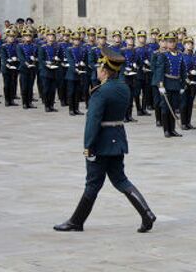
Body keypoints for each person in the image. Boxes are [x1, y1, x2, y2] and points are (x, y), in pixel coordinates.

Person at [53, 47, 156, 233]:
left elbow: (93, 122)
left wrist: (88, 146)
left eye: (100, 67)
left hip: (101, 143)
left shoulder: (100, 92)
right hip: (117, 139)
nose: (97, 71)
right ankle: (146, 213)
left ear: (105, 71)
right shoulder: (124, 88)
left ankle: (76, 222)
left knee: (93, 183)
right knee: (121, 180)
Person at [153, 31, 186, 138]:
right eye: (169, 42)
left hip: (176, 84)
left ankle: (173, 129)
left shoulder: (180, 55)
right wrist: (161, 85)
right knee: (165, 108)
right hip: (166, 83)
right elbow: (159, 71)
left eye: (173, 41)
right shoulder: (163, 55)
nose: (171, 44)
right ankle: (166, 130)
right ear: (166, 43)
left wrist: (182, 85)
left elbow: (183, 72)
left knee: (174, 107)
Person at [65, 32, 87, 116]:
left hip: (80, 74)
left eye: (78, 40)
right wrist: (76, 69)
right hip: (71, 74)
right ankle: (71, 109)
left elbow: (84, 60)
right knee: (71, 92)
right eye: (75, 40)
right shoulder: (69, 49)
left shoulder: (82, 49)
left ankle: (76, 109)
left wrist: (83, 65)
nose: (77, 41)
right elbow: (71, 61)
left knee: (77, 92)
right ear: (72, 41)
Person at [38, 28, 60, 112]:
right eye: (49, 35)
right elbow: (41, 59)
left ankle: (51, 105)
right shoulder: (43, 47)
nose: (51, 37)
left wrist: (57, 61)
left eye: (52, 35)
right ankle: (47, 105)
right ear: (46, 37)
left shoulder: (57, 47)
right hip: (46, 71)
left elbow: (60, 57)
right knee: (46, 89)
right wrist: (47, 64)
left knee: (52, 90)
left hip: (54, 70)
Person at [17, 28, 38, 109]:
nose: (28, 37)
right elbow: (21, 57)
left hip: (32, 68)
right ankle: (24, 103)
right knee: (24, 87)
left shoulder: (34, 46)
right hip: (24, 68)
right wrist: (27, 64)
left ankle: (29, 102)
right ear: (23, 37)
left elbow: (37, 56)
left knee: (30, 86)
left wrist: (35, 60)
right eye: (26, 36)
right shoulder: (20, 46)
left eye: (29, 36)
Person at [180, 37, 196, 130]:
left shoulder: (195, 56)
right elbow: (180, 71)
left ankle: (188, 122)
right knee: (183, 103)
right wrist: (188, 75)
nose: (190, 45)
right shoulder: (181, 56)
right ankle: (183, 123)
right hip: (184, 81)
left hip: (194, 81)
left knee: (190, 103)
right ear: (184, 45)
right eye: (187, 44)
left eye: (191, 44)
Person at [121, 32, 139, 123]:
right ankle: (124, 116)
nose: (131, 40)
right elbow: (120, 63)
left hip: (133, 76)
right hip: (125, 76)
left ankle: (129, 115)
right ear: (126, 40)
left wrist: (136, 66)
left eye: (132, 38)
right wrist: (125, 69)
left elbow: (138, 61)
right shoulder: (122, 50)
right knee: (125, 97)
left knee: (131, 97)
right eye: (129, 38)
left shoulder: (135, 50)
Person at [150, 33, 167, 128]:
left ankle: (164, 118)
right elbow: (152, 68)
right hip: (156, 80)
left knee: (164, 101)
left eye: (165, 41)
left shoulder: (169, 54)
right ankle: (158, 119)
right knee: (157, 101)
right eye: (162, 41)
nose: (164, 43)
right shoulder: (155, 54)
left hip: (167, 80)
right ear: (159, 42)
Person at [0, 29, 19, 106]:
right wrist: (9, 63)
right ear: (6, 37)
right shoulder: (3, 47)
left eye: (12, 37)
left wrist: (16, 60)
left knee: (13, 84)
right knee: (7, 84)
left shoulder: (16, 46)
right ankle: (7, 100)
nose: (11, 38)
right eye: (10, 36)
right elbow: (3, 58)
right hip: (7, 68)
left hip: (14, 67)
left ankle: (12, 99)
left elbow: (18, 56)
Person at [135, 30, 152, 116]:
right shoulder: (135, 49)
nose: (142, 39)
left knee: (146, 92)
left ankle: (144, 109)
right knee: (137, 92)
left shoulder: (149, 49)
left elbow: (152, 60)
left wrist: (149, 64)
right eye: (141, 37)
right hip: (138, 74)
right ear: (138, 38)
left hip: (146, 73)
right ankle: (138, 109)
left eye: (144, 37)